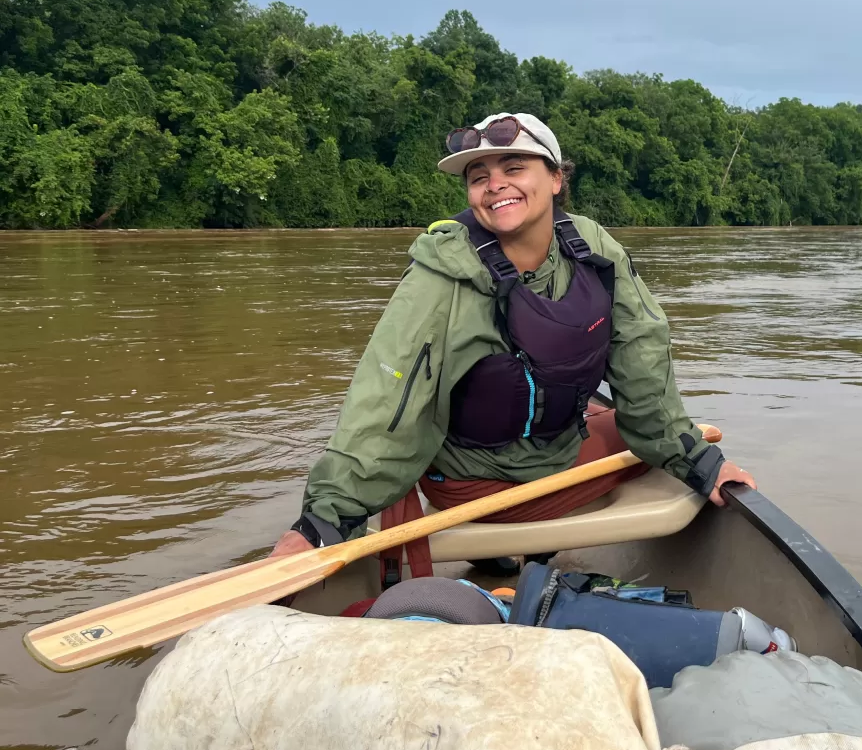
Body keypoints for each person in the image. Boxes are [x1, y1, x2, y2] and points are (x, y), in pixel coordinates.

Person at [270, 112, 756, 577]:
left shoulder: (592, 247)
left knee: (622, 423)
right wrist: (324, 521)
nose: (494, 184)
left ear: (556, 178)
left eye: (514, 167)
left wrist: (698, 461)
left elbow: (643, 362)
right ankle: (535, 550)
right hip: (471, 483)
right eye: (478, 176)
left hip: (548, 447)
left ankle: (501, 560)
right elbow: (386, 399)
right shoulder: (444, 274)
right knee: (642, 443)